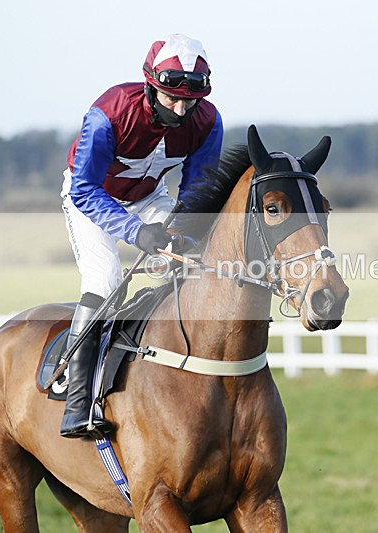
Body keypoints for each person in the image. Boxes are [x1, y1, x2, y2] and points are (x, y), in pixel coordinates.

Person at [58, 33, 223, 438]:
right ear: (151, 85)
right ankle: (77, 400)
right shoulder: (109, 112)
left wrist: (178, 235)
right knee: (105, 281)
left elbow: (197, 190)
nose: (182, 110)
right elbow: (84, 189)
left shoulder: (208, 121)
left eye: (191, 101)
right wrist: (136, 232)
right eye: (172, 98)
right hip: (93, 200)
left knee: (195, 262)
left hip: (151, 199)